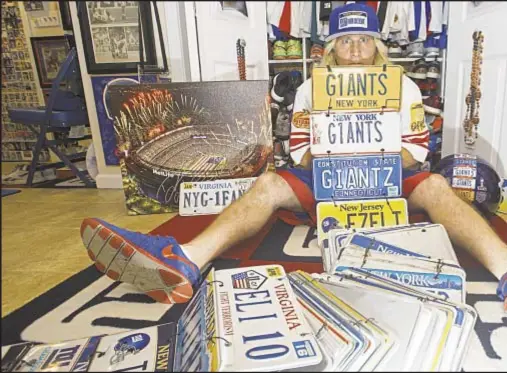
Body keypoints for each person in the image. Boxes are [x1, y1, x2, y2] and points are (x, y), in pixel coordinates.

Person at [80, 3, 507, 308]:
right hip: (324, 175)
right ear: (332, 46)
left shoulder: (406, 87)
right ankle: (186, 258)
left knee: (436, 184)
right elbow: (301, 153)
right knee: (266, 184)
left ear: (378, 45)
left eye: (363, 40)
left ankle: (505, 268)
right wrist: (335, 153)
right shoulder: (309, 87)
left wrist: (371, 158)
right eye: (345, 40)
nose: (355, 49)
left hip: (389, 175)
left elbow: (416, 153)